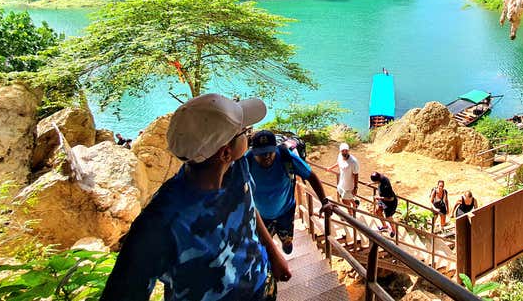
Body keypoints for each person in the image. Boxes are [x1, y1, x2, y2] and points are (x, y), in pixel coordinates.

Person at [100, 94, 291, 301]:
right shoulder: (160, 223)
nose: (249, 136)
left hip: (261, 284)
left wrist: (273, 253)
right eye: (244, 132)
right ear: (225, 153)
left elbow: (249, 208)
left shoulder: (238, 168)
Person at [246, 130, 331, 255]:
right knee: (264, 244)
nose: (267, 156)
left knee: (286, 237)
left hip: (286, 211)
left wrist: (325, 201)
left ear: (275, 149)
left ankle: (286, 243)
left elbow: (311, 176)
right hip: (260, 215)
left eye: (270, 152)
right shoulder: (247, 162)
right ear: (254, 152)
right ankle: (270, 261)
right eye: (262, 153)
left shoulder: (286, 157)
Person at [327, 142, 359, 210]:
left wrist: (355, 187)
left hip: (349, 186)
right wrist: (330, 168)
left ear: (348, 151)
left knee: (344, 200)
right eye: (342, 151)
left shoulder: (353, 162)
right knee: (347, 197)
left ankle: (350, 215)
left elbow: (356, 174)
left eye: (346, 150)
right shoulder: (340, 156)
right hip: (341, 183)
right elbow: (338, 163)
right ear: (340, 151)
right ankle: (355, 204)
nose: (344, 152)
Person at [370, 171, 398, 237]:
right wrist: (371, 183)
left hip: (390, 203)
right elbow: (377, 182)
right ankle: (384, 226)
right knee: (378, 211)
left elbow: (391, 198)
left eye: (375, 181)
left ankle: (393, 230)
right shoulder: (381, 177)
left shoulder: (386, 186)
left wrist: (379, 198)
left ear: (378, 180)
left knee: (388, 217)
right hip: (382, 199)